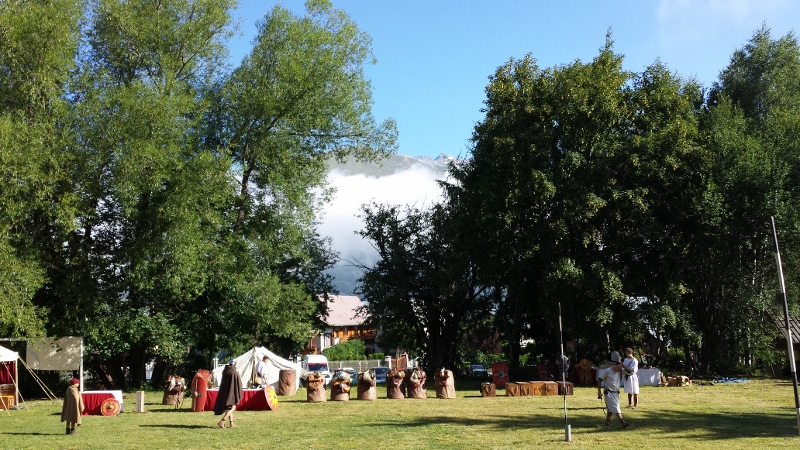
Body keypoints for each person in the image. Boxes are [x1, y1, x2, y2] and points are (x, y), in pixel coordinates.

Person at [597, 357, 629, 429]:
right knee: (616, 407)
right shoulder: (607, 371)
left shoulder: (620, 371)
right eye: (617, 368)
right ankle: (622, 422)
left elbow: (631, 372)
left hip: (616, 393)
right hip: (608, 392)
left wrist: (623, 366)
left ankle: (607, 421)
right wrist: (599, 391)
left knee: (610, 409)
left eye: (620, 369)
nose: (618, 370)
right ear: (614, 365)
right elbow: (599, 380)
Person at [214, 359, 243, 428]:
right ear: (235, 364)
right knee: (233, 407)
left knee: (230, 407)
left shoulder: (225, 370)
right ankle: (222, 421)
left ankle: (231, 423)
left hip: (226, 391)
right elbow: (237, 383)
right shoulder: (234, 372)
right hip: (231, 392)